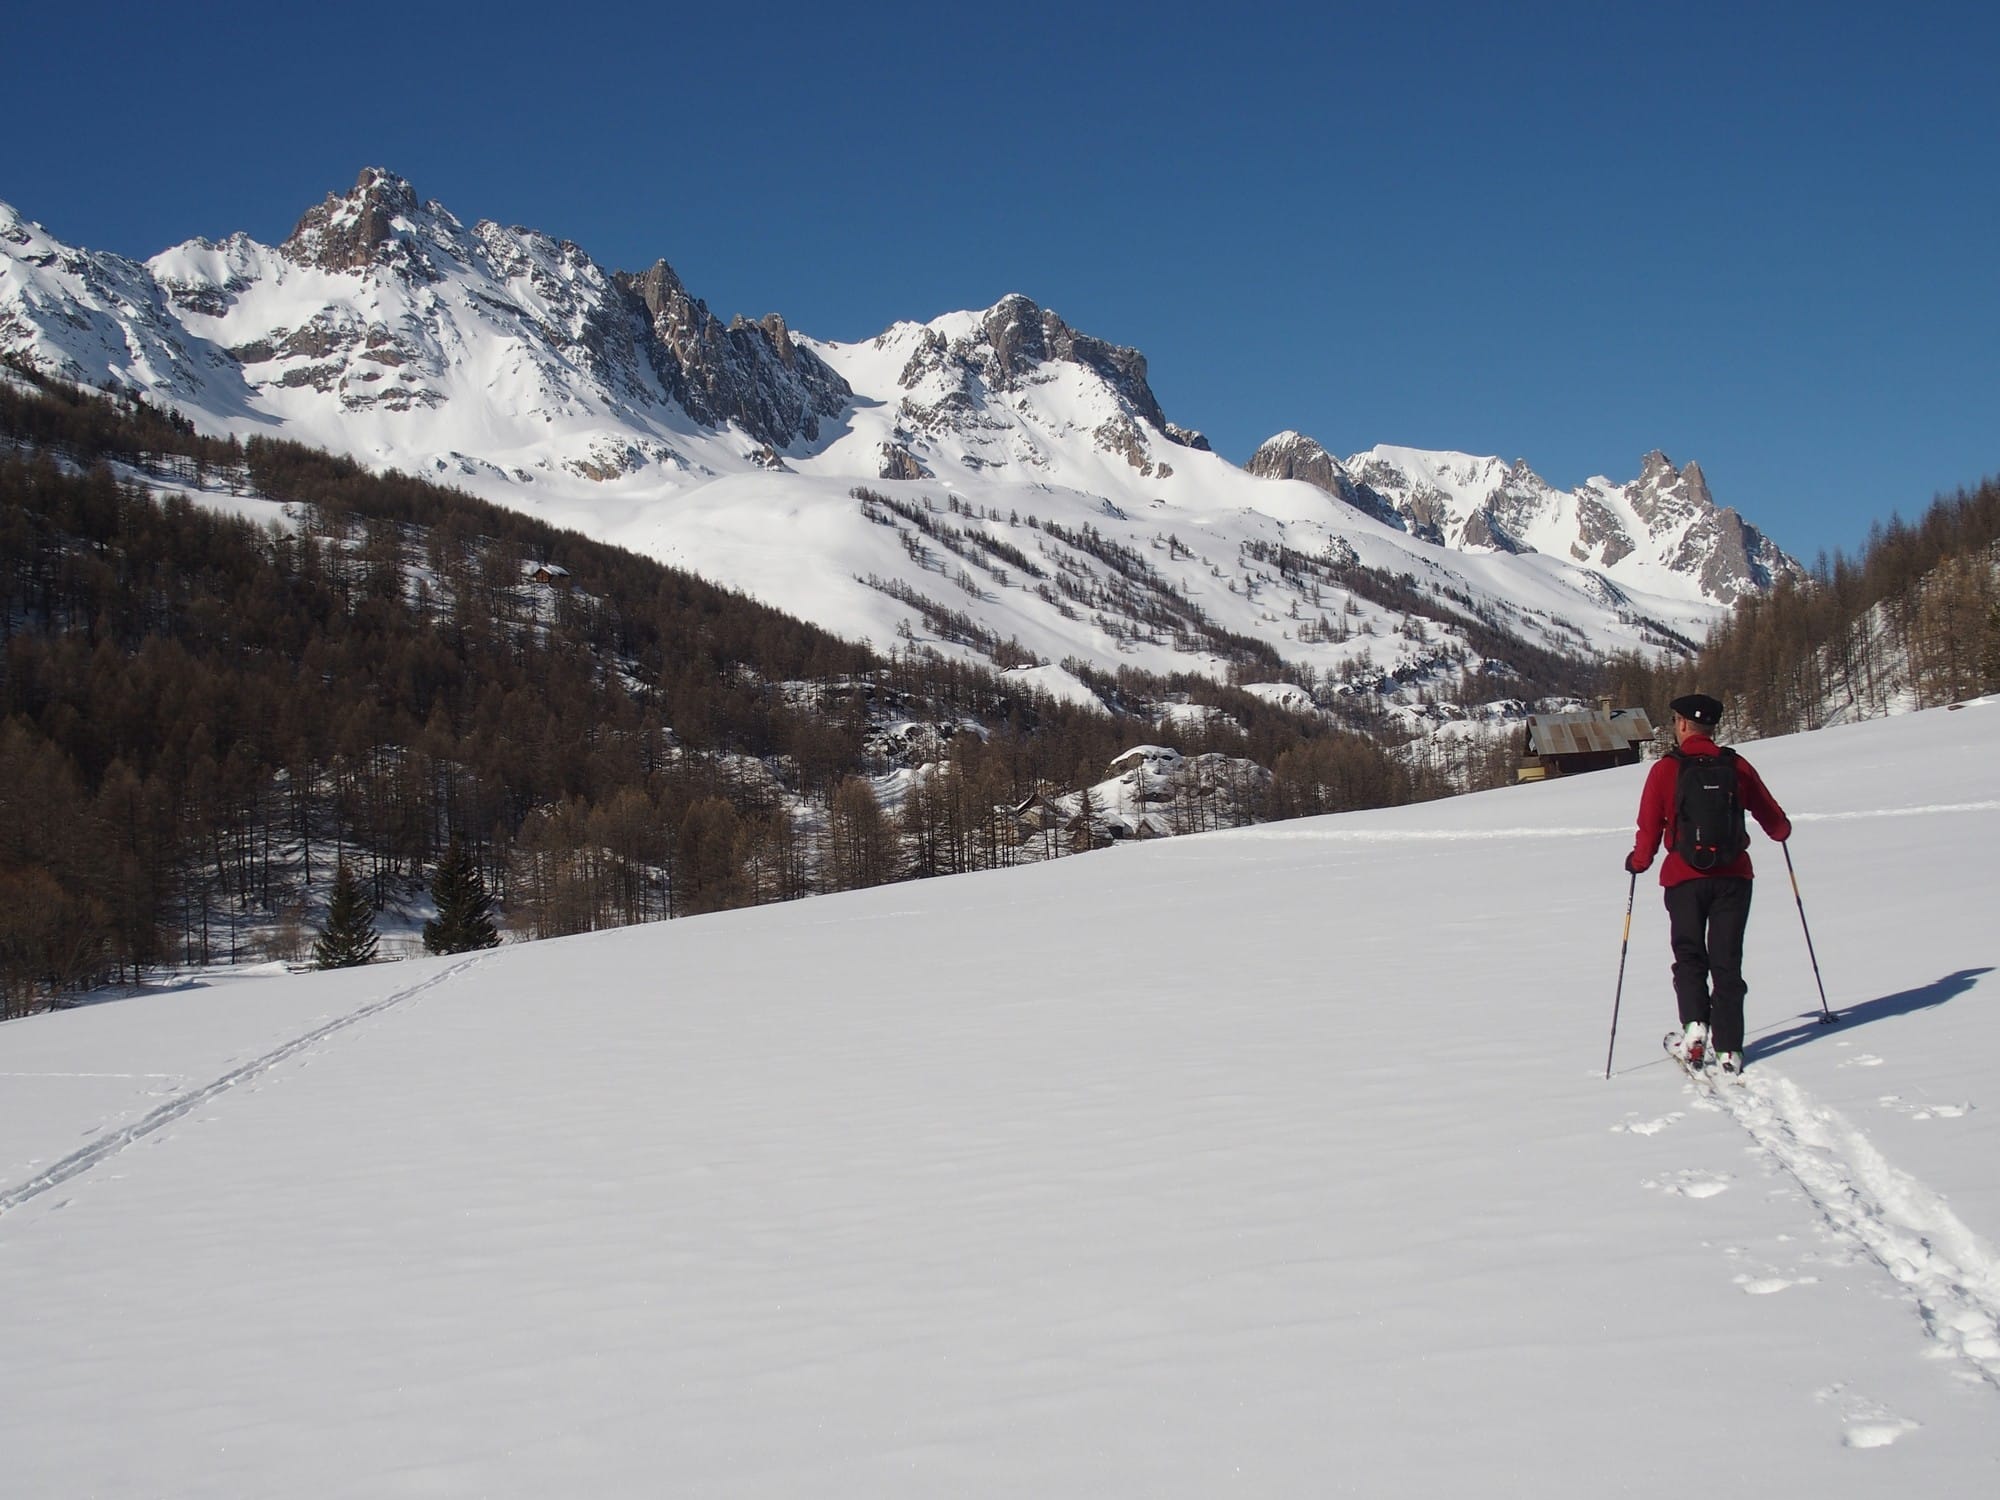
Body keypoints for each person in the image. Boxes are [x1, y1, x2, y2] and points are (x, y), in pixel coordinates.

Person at [1624, 693, 1791, 1073]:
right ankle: (1730, 1048)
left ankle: (1695, 1028)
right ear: (1711, 726)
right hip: (1734, 877)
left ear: (1682, 724)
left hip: (1684, 879)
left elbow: (1649, 827)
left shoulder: (1666, 769)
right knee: (1727, 961)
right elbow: (1773, 818)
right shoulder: (1736, 766)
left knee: (1689, 956)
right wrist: (1780, 831)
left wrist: (1639, 862)